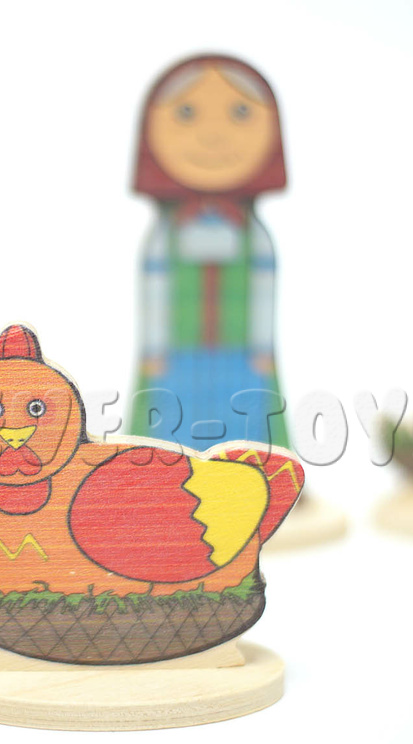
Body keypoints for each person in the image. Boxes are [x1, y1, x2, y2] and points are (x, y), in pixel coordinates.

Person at [128, 54, 290, 452]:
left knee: (244, 421)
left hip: (241, 358)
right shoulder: (164, 236)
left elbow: (262, 289)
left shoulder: (253, 236)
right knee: (172, 424)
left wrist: (262, 348)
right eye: (186, 113)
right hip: (176, 357)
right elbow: (156, 288)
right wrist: (154, 349)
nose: (214, 135)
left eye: (240, 112)